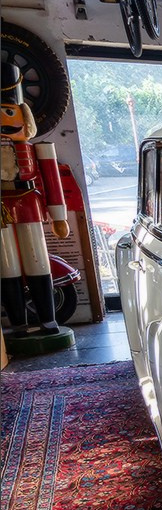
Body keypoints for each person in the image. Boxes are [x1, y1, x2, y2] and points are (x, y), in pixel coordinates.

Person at [1, 62, 72, 338]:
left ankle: (47, 320)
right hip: (2, 208)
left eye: (8, 112)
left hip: (29, 204)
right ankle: (18, 323)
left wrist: (59, 217)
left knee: (37, 260)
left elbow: (53, 184)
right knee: (7, 265)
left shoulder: (39, 150)